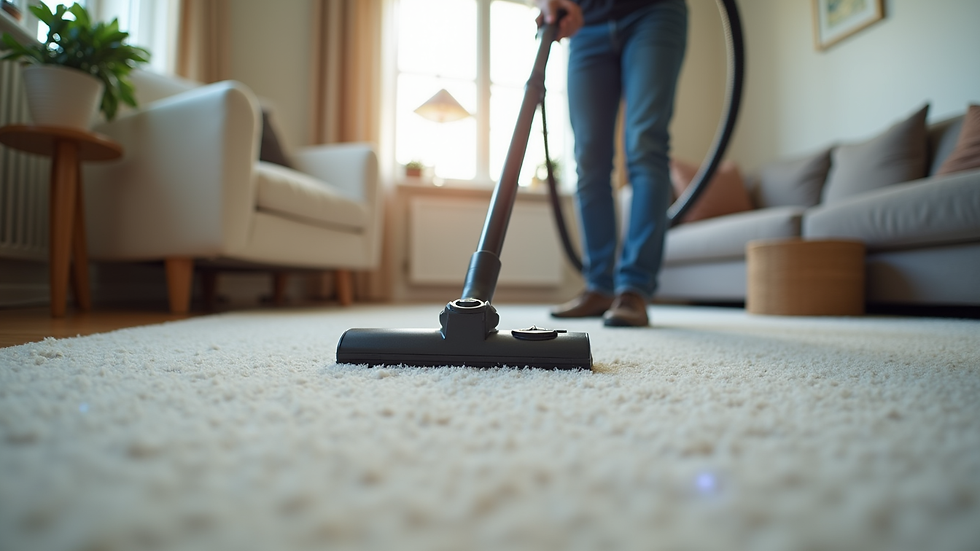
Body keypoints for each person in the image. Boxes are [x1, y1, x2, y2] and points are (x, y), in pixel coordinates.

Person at [537, 0, 688, 327]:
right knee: (588, 156)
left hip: (654, 12)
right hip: (586, 23)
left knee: (645, 143)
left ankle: (634, 288)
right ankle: (600, 287)